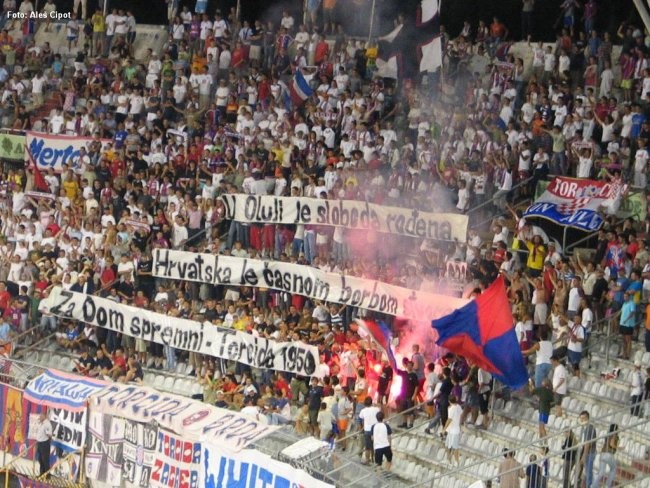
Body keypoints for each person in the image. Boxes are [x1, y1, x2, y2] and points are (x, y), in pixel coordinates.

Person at [591, 423, 619, 488]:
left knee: (601, 472)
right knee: (613, 468)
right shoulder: (615, 435)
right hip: (609, 454)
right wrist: (618, 448)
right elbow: (611, 444)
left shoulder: (608, 434)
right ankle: (608, 485)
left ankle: (594, 485)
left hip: (603, 453)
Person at [396, 358, 419, 429]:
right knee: (404, 410)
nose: (409, 367)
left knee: (410, 411)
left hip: (410, 396)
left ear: (412, 366)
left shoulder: (414, 375)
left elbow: (416, 386)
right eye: (408, 365)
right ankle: (404, 423)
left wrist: (414, 395)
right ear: (406, 366)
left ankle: (411, 424)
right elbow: (396, 370)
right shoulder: (404, 373)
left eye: (410, 365)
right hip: (403, 395)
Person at [577, 410, 597, 488]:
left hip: (589, 453)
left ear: (588, 418)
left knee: (588, 472)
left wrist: (584, 456)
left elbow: (587, 444)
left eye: (584, 418)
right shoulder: (584, 428)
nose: (582, 420)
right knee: (586, 472)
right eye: (581, 418)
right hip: (585, 452)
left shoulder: (589, 428)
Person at [358, 397, 380, 464]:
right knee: (375, 446)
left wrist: (361, 428)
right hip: (376, 430)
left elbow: (359, 419)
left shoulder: (363, 411)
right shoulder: (376, 409)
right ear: (371, 402)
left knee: (368, 447)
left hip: (367, 430)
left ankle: (367, 460)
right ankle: (374, 460)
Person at [444, 395, 462, 465]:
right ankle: (449, 460)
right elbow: (460, 415)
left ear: (449, 401)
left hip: (453, 431)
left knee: (454, 447)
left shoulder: (452, 409)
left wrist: (444, 429)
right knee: (448, 445)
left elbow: (449, 419)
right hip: (454, 430)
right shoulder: (458, 406)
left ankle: (456, 462)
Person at [35, 410, 53, 475]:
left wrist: (47, 434)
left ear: (44, 416)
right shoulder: (41, 423)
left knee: (45, 460)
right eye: (40, 415)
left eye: (41, 416)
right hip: (39, 443)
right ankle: (41, 473)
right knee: (40, 459)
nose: (40, 417)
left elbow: (50, 435)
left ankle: (47, 475)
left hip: (44, 443)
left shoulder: (47, 424)